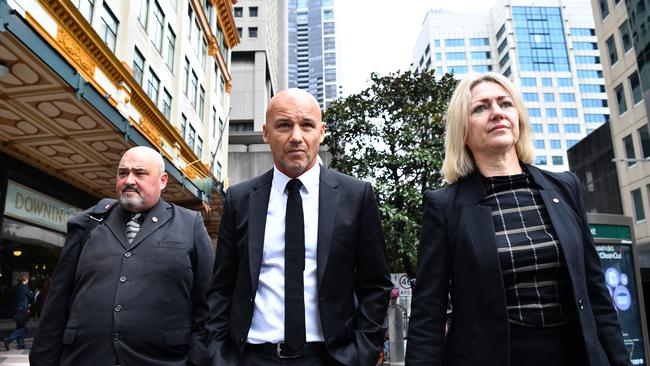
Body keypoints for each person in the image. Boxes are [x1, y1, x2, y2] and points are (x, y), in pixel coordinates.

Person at [405, 72, 631, 366]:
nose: (497, 112)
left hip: (577, 354)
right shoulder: (445, 206)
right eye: (481, 107)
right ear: (463, 131)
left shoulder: (564, 188)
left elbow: (596, 291)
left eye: (505, 104)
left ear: (519, 119)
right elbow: (428, 312)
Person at [205, 88, 393, 366]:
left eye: (306, 125)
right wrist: (220, 355)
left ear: (321, 131)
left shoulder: (356, 196)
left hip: (331, 358)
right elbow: (222, 287)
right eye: (284, 125)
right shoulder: (240, 199)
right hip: (252, 357)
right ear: (266, 133)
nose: (296, 137)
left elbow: (375, 284)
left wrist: (360, 353)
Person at [30, 146, 214, 366]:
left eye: (140, 173)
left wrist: (198, 360)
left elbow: (209, 304)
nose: (129, 180)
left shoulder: (189, 224)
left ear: (163, 180)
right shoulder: (87, 223)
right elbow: (57, 301)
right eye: (123, 173)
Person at [3, 274, 34, 351]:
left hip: (15, 310)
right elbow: (31, 295)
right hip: (22, 309)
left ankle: (21, 345)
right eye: (27, 279)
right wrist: (32, 292)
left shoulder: (15, 287)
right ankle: (8, 339)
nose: (28, 280)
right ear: (25, 279)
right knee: (22, 328)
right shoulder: (25, 287)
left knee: (20, 327)